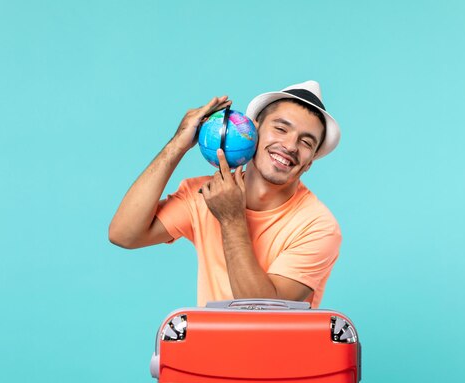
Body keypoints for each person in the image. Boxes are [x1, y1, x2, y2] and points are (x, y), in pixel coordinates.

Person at [109, 81, 342, 308]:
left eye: (306, 142)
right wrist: (177, 144)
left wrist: (231, 219)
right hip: (209, 346)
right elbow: (124, 235)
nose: (291, 146)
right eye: (281, 129)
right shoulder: (209, 194)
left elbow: (266, 313)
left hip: (280, 349)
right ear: (253, 130)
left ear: (310, 162)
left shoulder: (318, 226)